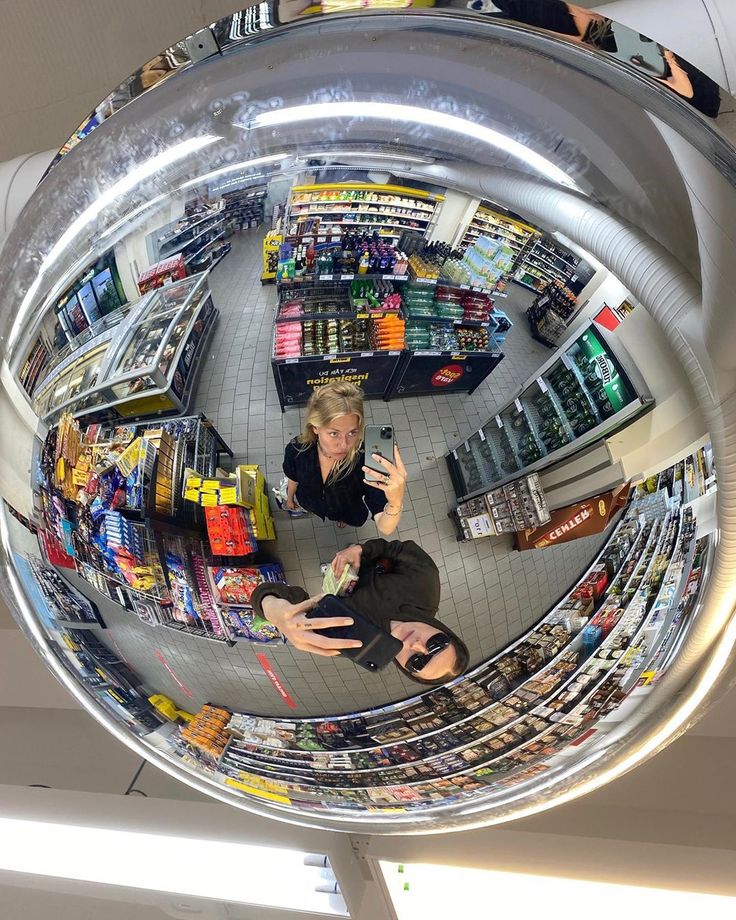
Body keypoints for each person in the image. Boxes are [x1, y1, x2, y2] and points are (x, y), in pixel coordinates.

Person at [250, 538, 470, 686]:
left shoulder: (352, 644)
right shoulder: (424, 582)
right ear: (444, 631)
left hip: (332, 590)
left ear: (403, 667)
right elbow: (395, 549)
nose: (418, 646)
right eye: (436, 644)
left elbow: (293, 603)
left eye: (417, 662)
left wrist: (274, 611)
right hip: (359, 564)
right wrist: (360, 550)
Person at [283, 381, 407, 534]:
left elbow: (385, 527)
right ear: (315, 427)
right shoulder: (297, 450)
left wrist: (395, 502)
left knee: (345, 518)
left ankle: (342, 520)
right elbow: (293, 478)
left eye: (352, 433)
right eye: (334, 433)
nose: (344, 445)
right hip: (311, 502)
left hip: (347, 511)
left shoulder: (367, 461)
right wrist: (290, 499)